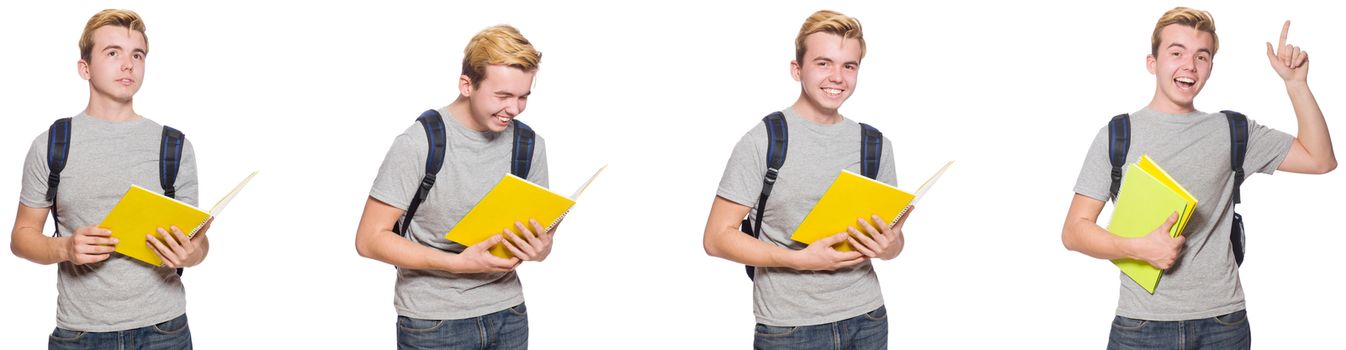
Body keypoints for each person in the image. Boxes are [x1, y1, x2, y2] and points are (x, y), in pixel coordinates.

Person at [1061, 7, 1336, 349]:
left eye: (1201, 57)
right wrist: (1138, 248)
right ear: (1153, 62)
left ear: (1209, 68)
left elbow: (1320, 159)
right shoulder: (1118, 134)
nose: (1189, 65)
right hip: (1141, 326)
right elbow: (1074, 231)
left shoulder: (1234, 131)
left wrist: (1296, 85)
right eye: (1176, 53)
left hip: (1223, 323)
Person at [702, 9, 911, 349]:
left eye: (849, 66)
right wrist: (799, 259)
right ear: (797, 69)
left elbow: (894, 240)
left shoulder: (874, 145)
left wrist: (890, 247)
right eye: (823, 63)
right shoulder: (764, 142)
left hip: (867, 318)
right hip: (789, 329)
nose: (837, 77)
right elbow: (716, 238)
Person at [10, 9, 209, 349]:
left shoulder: (174, 146)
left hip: (165, 331)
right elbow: (21, 237)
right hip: (79, 334)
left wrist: (192, 254)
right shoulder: (53, 144)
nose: (128, 64)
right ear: (84, 68)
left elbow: (198, 243)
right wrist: (65, 247)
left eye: (137, 55)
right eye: (112, 52)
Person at [354, 24, 553, 350]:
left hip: (509, 313)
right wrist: (456, 263)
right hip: (433, 323)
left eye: (523, 97)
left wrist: (541, 248)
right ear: (467, 85)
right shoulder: (419, 143)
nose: (514, 109)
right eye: (502, 96)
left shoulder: (530, 145)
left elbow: (539, 236)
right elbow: (369, 239)